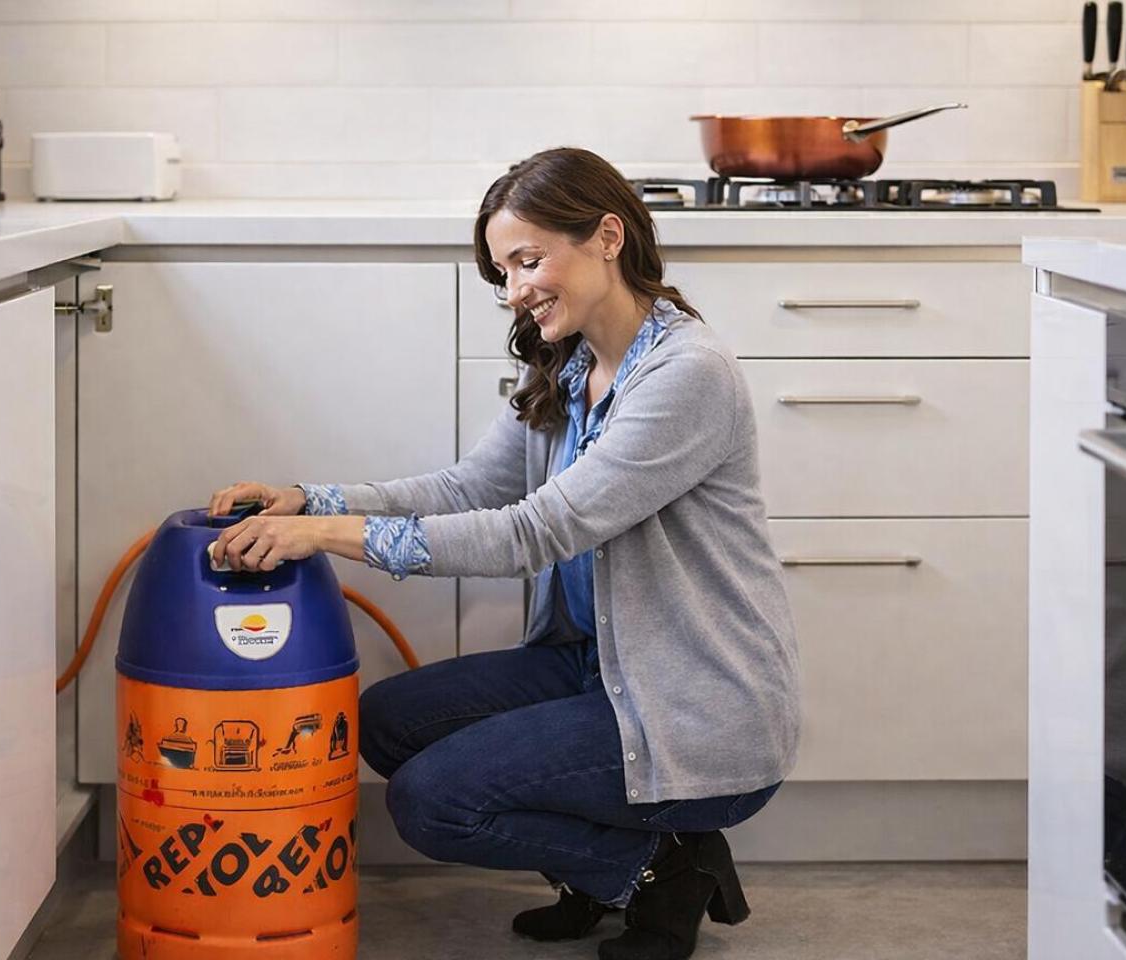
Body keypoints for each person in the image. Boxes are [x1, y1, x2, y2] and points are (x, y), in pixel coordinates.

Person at [207, 147, 800, 960]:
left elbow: (535, 531)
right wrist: (315, 500)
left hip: (690, 703)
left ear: (607, 237)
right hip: (595, 666)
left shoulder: (686, 375)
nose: (516, 290)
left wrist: (325, 539)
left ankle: (653, 870)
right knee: (385, 723)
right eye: (504, 271)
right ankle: (604, 874)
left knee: (430, 803)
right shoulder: (575, 363)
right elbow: (468, 489)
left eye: (529, 260)